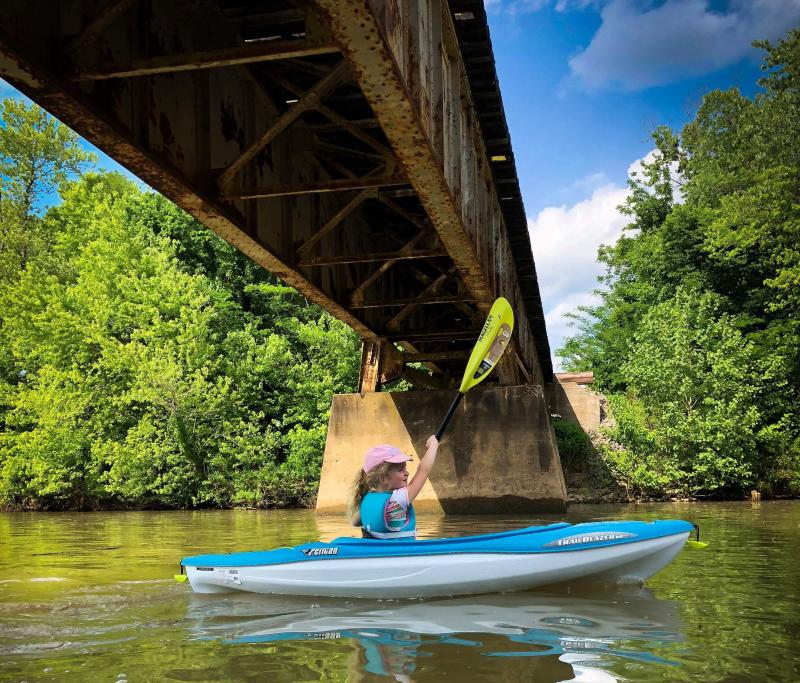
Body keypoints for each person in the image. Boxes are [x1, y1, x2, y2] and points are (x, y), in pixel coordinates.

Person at [348, 435, 440, 539]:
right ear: (383, 478)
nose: (407, 473)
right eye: (401, 470)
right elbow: (423, 471)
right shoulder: (396, 501)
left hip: (377, 551)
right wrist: (433, 445)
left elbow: (355, 522)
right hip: (401, 551)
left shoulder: (366, 499)